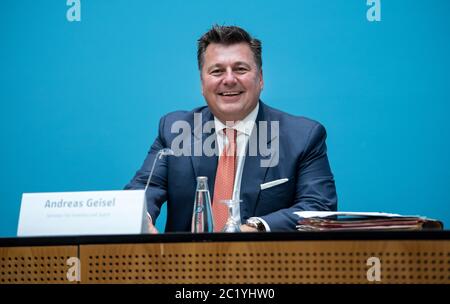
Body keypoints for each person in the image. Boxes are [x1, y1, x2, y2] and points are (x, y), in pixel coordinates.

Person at [125, 25, 337, 233]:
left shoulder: (303, 137)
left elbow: (318, 207)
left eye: (240, 69)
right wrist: (140, 218)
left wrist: (257, 228)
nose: (229, 79)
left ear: (260, 78)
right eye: (217, 71)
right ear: (202, 83)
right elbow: (145, 188)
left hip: (266, 264)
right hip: (186, 263)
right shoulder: (174, 130)